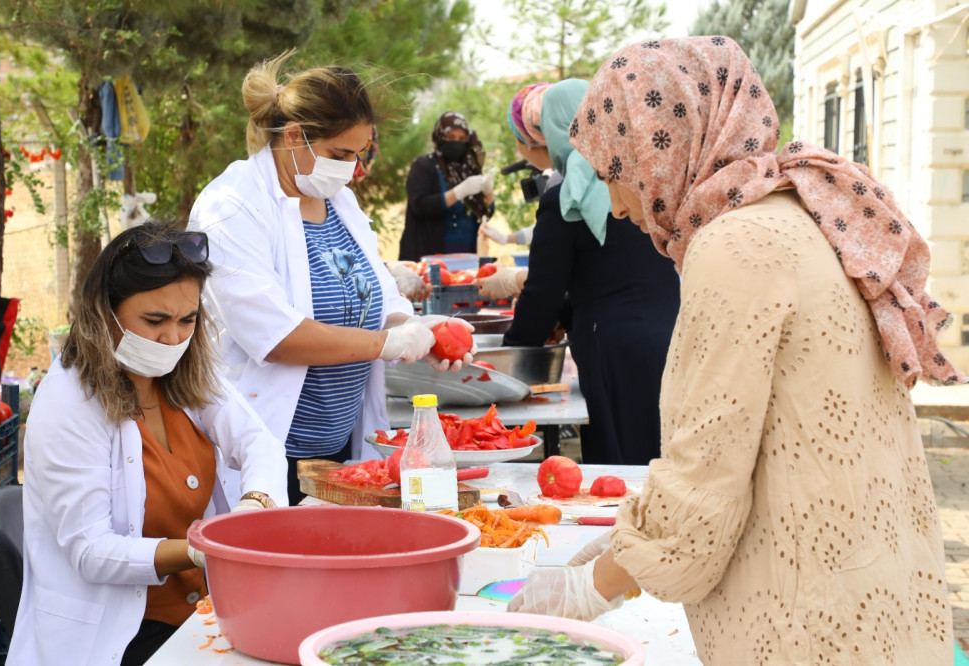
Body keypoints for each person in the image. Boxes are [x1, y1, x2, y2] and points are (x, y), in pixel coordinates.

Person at [509, 36, 962, 664]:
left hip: (807, 625)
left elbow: (702, 490)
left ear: (664, 147)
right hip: (875, 592)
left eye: (618, 171)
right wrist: (610, 551)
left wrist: (591, 589)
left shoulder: (735, 247)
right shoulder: (799, 213)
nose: (614, 203)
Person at [188, 52, 474, 506]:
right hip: (265, 451)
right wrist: (385, 345)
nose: (353, 169)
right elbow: (276, 337)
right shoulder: (231, 207)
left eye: (358, 154)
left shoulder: (338, 202)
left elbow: (374, 288)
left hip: (338, 449)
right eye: (340, 155)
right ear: (294, 135)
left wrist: (412, 328)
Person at [7, 222, 288, 666]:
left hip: (199, 613)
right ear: (105, 313)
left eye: (188, 320)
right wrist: (199, 548)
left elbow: (258, 442)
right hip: (121, 635)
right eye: (154, 321)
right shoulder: (69, 402)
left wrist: (255, 503)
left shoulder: (183, 373)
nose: (174, 338)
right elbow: (92, 551)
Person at [485, 80, 679, 465]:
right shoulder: (638, 180)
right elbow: (612, 273)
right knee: (662, 454)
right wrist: (565, 315)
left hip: (613, 348)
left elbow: (543, 293)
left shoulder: (566, 197)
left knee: (621, 464)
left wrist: (504, 362)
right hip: (671, 335)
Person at [398, 111, 495, 260]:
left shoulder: (468, 169)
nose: (456, 142)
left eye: (462, 138)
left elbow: (484, 214)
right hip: (430, 257)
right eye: (451, 137)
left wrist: (488, 193)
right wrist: (458, 192)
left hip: (467, 257)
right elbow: (419, 206)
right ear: (440, 137)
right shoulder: (424, 166)